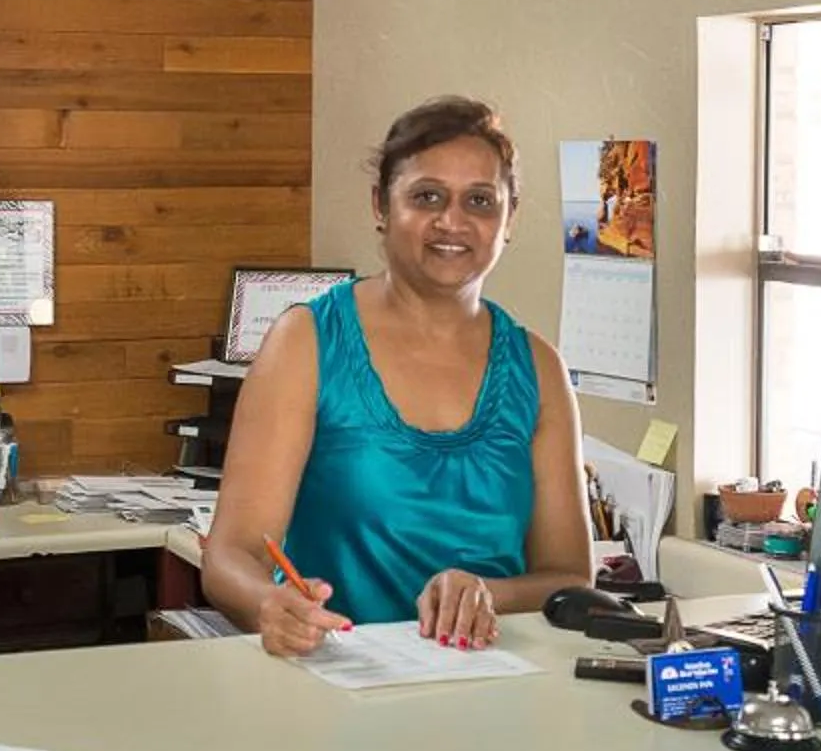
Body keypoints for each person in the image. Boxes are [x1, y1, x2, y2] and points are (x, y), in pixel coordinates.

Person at [200, 96, 594, 656]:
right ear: (381, 206)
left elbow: (570, 579)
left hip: (495, 699)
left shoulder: (540, 368)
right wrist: (268, 604)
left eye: (480, 201)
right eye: (427, 196)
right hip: (339, 684)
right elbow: (231, 555)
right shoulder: (307, 342)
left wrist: (485, 594)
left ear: (509, 220)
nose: (452, 221)